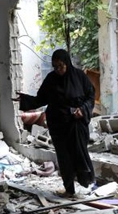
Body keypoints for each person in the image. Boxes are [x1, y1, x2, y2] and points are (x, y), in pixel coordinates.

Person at [19, 49, 95, 198]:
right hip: (59, 127)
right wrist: (23, 100)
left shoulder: (79, 76)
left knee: (79, 154)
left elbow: (91, 96)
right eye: (55, 66)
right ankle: (69, 189)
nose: (58, 70)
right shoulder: (51, 79)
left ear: (67, 63)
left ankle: (85, 184)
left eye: (60, 66)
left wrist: (83, 110)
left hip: (77, 126)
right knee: (64, 158)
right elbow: (40, 99)